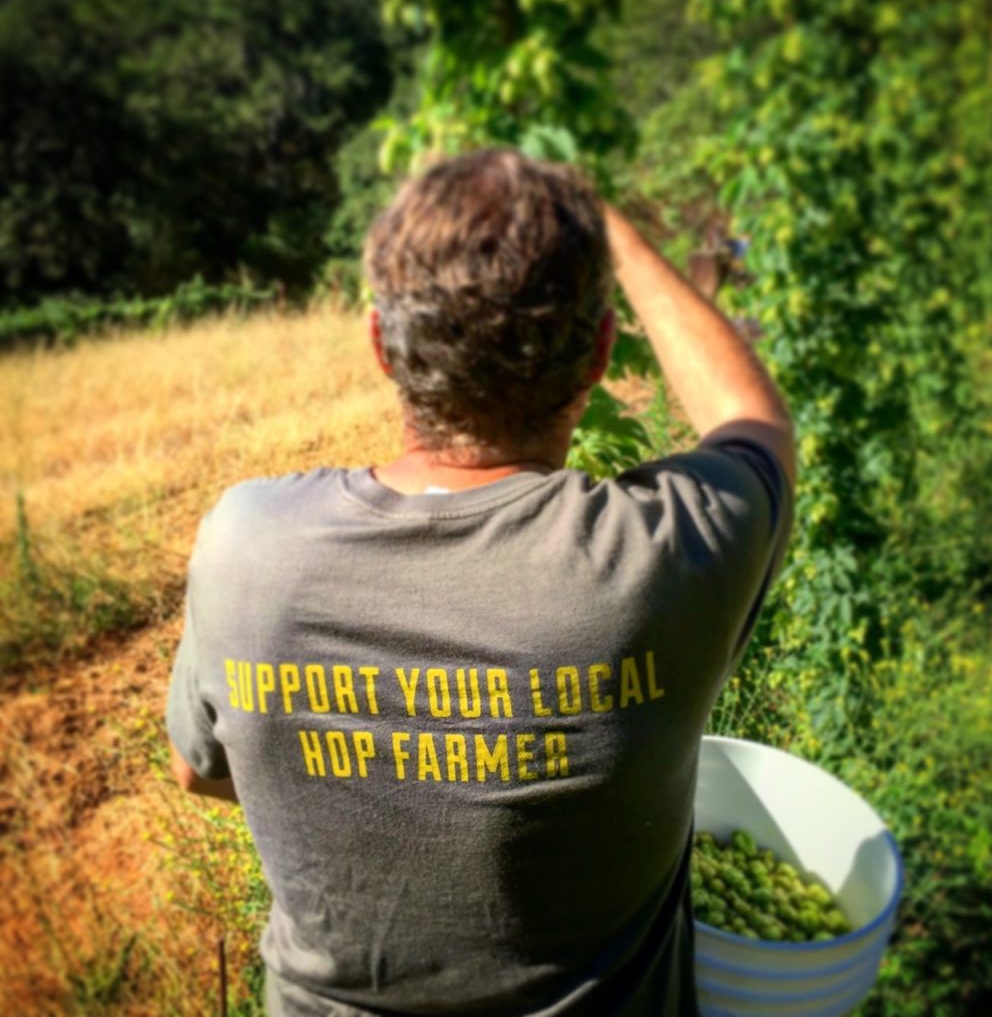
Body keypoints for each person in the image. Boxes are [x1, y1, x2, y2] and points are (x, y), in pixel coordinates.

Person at [166, 147, 795, 1016]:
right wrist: (605, 217)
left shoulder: (246, 548)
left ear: (383, 347)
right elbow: (753, 420)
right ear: (599, 355)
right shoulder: (667, 559)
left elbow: (201, 773)